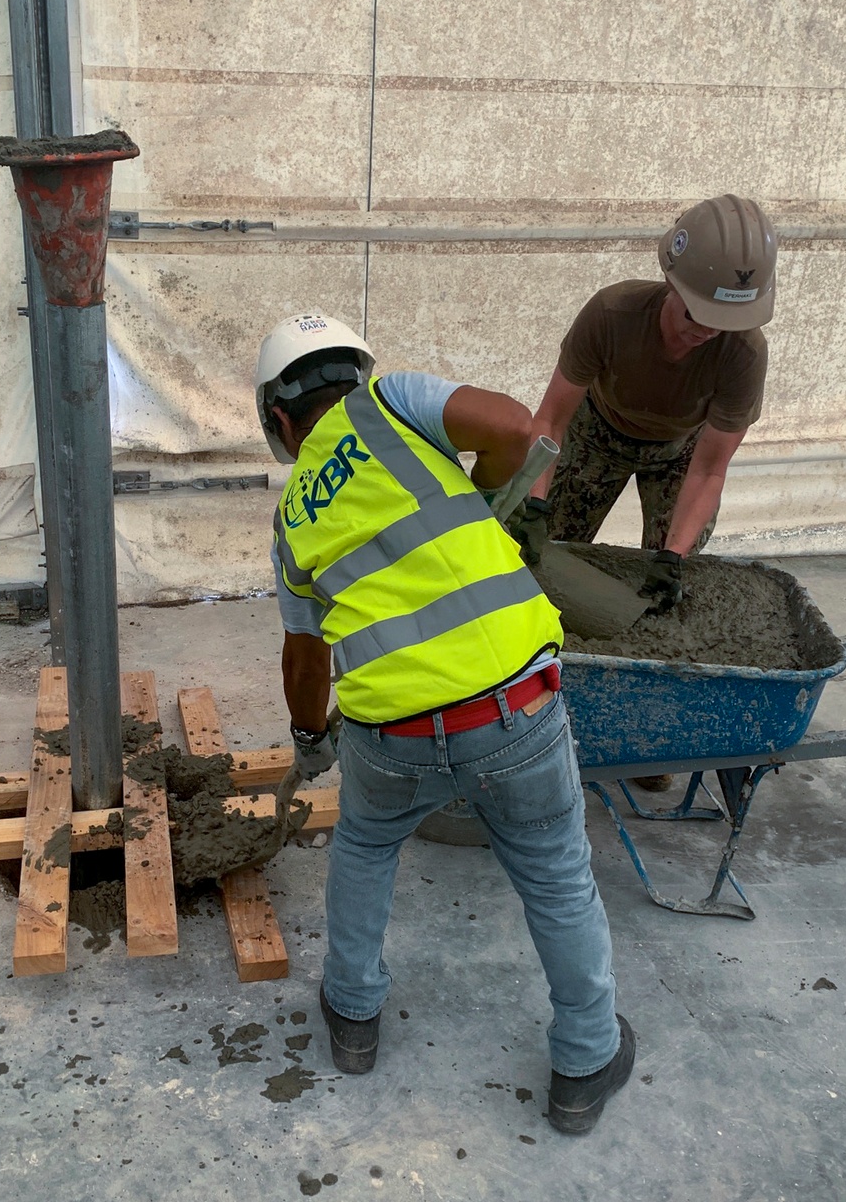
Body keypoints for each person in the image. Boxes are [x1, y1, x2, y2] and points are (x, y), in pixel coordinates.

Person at [256, 311, 634, 1135]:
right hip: (515, 711)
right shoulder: (392, 403)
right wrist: (493, 500)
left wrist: (312, 738)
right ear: (351, 374)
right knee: (554, 874)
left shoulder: (290, 524)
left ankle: (353, 1018)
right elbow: (514, 427)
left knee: (364, 844)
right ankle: (585, 1058)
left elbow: (306, 657)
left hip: (388, 737)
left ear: (279, 420)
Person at [514, 194, 777, 608]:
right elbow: (549, 422)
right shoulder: (612, 314)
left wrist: (672, 556)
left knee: (663, 579)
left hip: (680, 454)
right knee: (545, 553)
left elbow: (709, 470)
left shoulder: (744, 354)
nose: (708, 332)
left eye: (724, 323)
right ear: (673, 284)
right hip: (597, 433)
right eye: (697, 315)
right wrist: (535, 503)